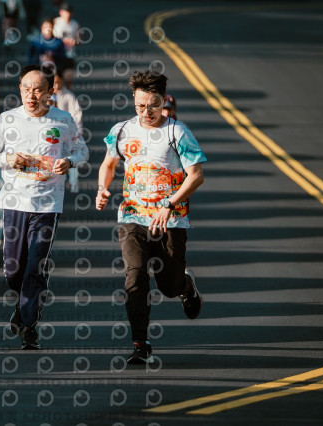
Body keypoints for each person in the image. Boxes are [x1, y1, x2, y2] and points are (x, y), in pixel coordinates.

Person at [96, 70, 206, 364]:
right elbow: (109, 164)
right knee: (135, 276)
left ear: (163, 102)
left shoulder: (177, 133)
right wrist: (102, 188)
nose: (147, 112)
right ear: (134, 101)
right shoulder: (122, 130)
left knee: (168, 286)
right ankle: (140, 343)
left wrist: (169, 204)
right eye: (140, 106)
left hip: (171, 219)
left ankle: (184, 285)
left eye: (153, 106)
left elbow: (196, 176)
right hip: (133, 216)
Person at [0, 64, 88, 349]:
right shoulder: (8, 120)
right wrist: (7, 159)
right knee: (14, 270)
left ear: (50, 92)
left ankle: (29, 326)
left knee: (35, 265)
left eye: (38, 90)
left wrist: (69, 162)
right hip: (14, 203)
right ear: (20, 90)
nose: (31, 95)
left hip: (48, 205)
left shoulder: (63, 120)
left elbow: (82, 150)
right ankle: (23, 303)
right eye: (26, 89)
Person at [51, 70, 82, 192]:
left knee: (71, 157)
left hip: (68, 133)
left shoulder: (68, 96)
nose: (56, 85)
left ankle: (74, 182)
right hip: (54, 133)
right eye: (54, 83)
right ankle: (58, 182)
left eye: (58, 82)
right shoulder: (48, 97)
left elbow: (77, 113)